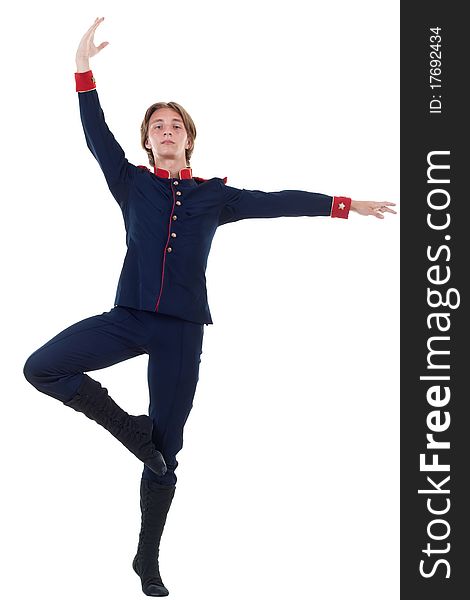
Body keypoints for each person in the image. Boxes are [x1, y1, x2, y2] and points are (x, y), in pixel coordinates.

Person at [22, 16, 397, 598]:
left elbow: (279, 202)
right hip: (128, 318)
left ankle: (146, 558)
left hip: (181, 331)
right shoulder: (130, 182)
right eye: (156, 125)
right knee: (41, 367)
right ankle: (127, 430)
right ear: (147, 141)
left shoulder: (213, 196)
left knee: (165, 455)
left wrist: (346, 204)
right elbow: (96, 134)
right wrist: (82, 70)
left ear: (189, 139)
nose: (166, 130)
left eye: (175, 125)